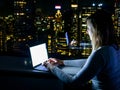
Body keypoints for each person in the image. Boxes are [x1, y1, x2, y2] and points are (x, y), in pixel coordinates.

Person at [44, 9, 120, 90]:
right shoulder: (114, 48)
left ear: (96, 31)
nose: (87, 32)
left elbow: (73, 82)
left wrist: (52, 68)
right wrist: (62, 62)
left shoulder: (100, 53)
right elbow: (89, 62)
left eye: (88, 28)